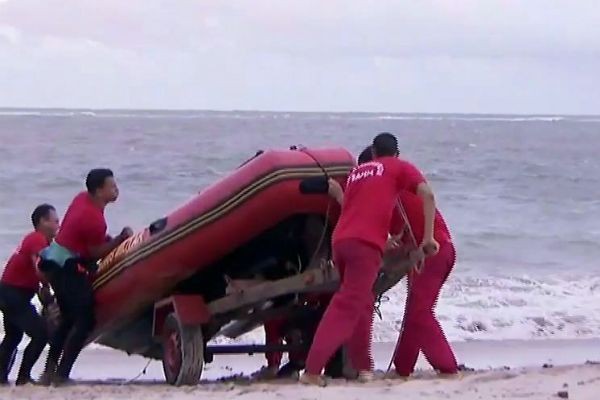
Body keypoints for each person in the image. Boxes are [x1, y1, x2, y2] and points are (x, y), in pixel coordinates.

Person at [301, 133, 439, 386]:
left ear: (373, 152)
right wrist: (428, 239)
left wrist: (383, 242)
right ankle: (312, 370)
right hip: (364, 246)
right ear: (396, 153)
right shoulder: (399, 166)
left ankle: (364, 368)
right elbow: (427, 195)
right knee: (346, 306)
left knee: (360, 302)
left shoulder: (357, 173)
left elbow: (355, 210)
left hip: (341, 242)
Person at [352, 146, 459, 378]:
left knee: (419, 312)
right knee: (415, 311)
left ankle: (448, 366)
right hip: (438, 249)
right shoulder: (399, 188)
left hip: (432, 251)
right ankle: (403, 366)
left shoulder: (390, 191)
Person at [38, 169, 132, 385]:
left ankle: (50, 371)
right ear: (99, 191)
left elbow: (82, 239)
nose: (116, 188)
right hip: (66, 269)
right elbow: (94, 252)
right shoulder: (92, 218)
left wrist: (110, 240)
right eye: (111, 186)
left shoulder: (82, 199)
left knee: (69, 318)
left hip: (56, 262)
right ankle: (61, 374)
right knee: (85, 319)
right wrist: (119, 239)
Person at [0, 204, 60, 385]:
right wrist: (50, 287)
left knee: (13, 336)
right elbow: (39, 268)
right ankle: (23, 377)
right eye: (55, 221)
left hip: (9, 293)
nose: (59, 225)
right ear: (43, 221)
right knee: (42, 333)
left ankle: (1, 377)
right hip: (12, 294)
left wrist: (44, 289)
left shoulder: (42, 241)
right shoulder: (36, 239)